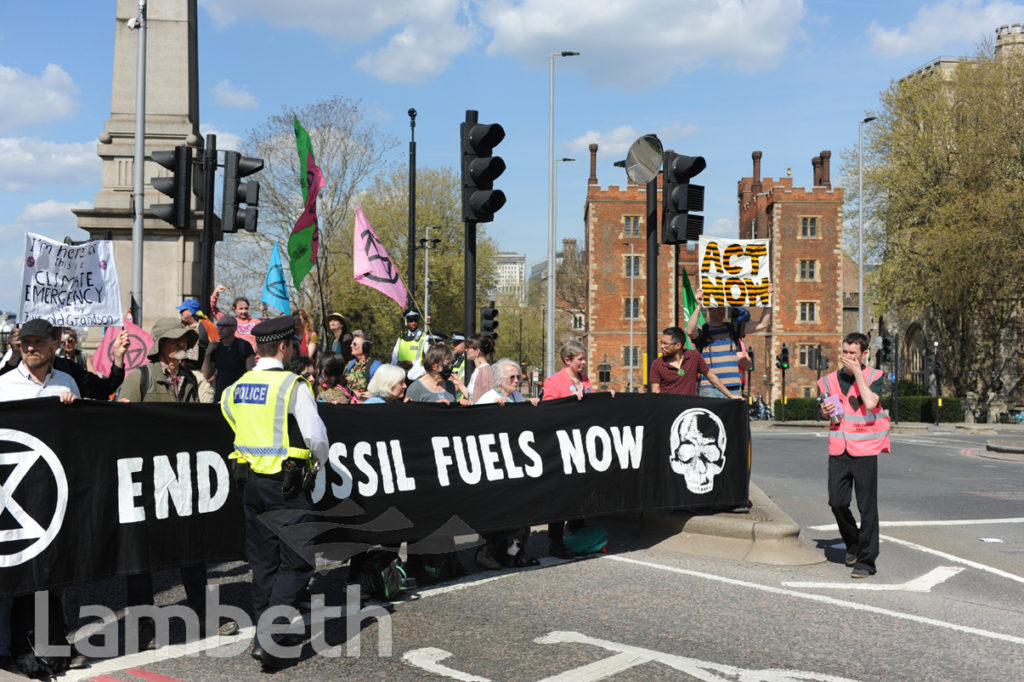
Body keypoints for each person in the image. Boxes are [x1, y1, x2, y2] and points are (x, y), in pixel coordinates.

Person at [118, 318, 239, 649]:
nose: (183, 346)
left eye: (185, 340)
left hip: (182, 478)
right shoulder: (138, 378)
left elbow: (198, 425)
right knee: (141, 556)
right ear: (161, 346)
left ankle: (203, 614)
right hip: (146, 480)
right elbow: (117, 424)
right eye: (176, 341)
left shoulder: (188, 378)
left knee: (192, 547)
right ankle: (143, 625)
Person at [219, 316, 329, 670]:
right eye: (294, 344)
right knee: (297, 561)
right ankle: (269, 635)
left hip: (250, 483)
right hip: (287, 484)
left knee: (263, 561)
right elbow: (316, 438)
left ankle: (264, 634)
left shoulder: (236, 387)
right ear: (283, 347)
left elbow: (232, 417)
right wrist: (317, 464)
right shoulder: (292, 385)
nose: (295, 349)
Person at [0, 319, 83, 673]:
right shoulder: (3, 386)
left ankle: (51, 645)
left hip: (53, 498)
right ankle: (14, 649)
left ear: (55, 345)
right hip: (13, 498)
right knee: (16, 578)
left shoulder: (66, 382)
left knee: (52, 575)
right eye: (25, 343)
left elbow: (81, 437)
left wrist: (74, 409)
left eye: (38, 342)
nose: (30, 347)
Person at [818, 332, 890, 579]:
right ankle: (853, 543)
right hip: (839, 448)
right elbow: (829, 410)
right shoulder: (829, 380)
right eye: (845, 352)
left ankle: (867, 562)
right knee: (836, 502)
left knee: (867, 507)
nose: (847, 357)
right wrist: (824, 411)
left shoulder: (875, 376)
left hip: (866, 449)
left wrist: (858, 373)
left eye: (852, 353)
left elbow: (870, 403)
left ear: (864, 355)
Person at [541, 338, 608, 558]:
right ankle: (556, 542)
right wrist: (571, 400)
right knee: (562, 496)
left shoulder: (585, 379)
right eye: (580, 359)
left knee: (582, 492)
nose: (584, 363)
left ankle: (579, 535)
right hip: (563, 446)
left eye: (584, 359)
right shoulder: (553, 381)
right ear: (567, 360)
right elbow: (549, 409)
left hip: (584, 444)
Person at [685, 288, 772, 398]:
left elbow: (762, 324)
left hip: (734, 387)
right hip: (710, 387)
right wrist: (699, 305)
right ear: (710, 309)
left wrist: (768, 299)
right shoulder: (703, 331)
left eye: (723, 307)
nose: (722, 310)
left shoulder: (733, 329)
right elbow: (689, 330)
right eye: (718, 307)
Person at [1, 326, 130, 398]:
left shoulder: (68, 375)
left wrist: (118, 356)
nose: (32, 348)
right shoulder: (13, 369)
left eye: (58, 330)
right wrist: (14, 357)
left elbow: (105, 388)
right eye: (28, 342)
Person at [650, 326, 740, 398]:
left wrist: (731, 395)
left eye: (665, 343)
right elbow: (655, 392)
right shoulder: (657, 364)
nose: (662, 346)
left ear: (678, 345)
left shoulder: (693, 356)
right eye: (661, 343)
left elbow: (711, 377)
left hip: (689, 411)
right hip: (669, 412)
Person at [202, 315, 256, 401]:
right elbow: (207, 375)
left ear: (234, 328)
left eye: (224, 325)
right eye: (218, 325)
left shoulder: (244, 345)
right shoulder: (216, 347)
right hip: (220, 396)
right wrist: (208, 354)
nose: (220, 328)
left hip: (239, 395)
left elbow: (251, 373)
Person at [344, 330, 381, 401]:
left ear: (365, 346)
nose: (351, 346)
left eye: (354, 344)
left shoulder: (376, 366)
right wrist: (352, 392)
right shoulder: (350, 364)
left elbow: (383, 388)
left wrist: (372, 394)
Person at [464, 334, 495, 403]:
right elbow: (473, 396)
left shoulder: (485, 371)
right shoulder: (477, 370)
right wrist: (458, 383)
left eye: (468, 347)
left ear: (477, 351)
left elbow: (486, 401)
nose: (465, 350)